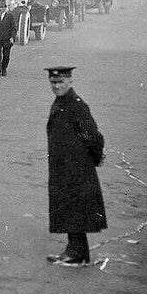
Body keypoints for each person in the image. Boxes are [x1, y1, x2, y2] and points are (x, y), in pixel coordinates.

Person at [44, 66, 106, 267]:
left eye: (60, 82)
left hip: (76, 167)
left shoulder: (76, 105)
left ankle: (76, 253)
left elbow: (93, 136)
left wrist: (93, 159)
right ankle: (77, 251)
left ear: (70, 81)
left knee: (74, 208)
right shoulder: (62, 102)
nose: (57, 86)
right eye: (53, 83)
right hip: (64, 166)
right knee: (70, 207)